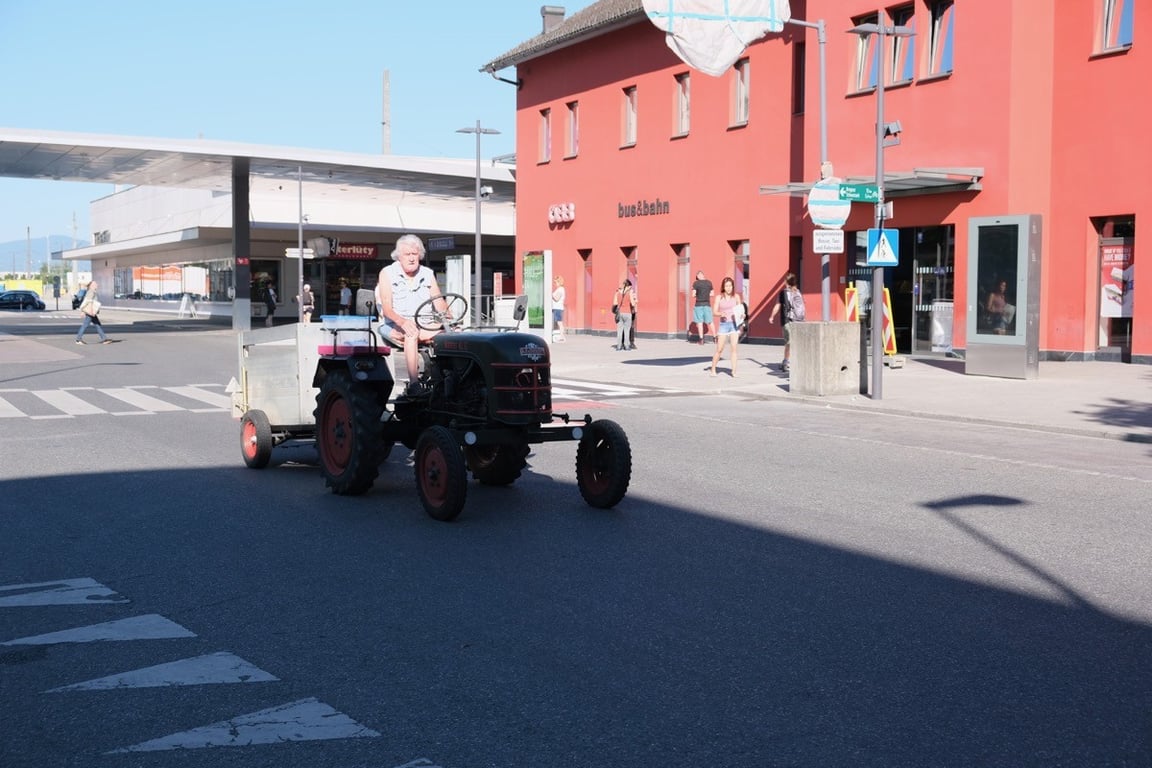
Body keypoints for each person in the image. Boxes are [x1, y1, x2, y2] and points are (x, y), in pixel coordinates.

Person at [376, 234, 451, 393]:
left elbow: (439, 303)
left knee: (454, 334)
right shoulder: (387, 273)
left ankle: (448, 378)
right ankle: (414, 383)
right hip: (394, 324)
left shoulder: (427, 273)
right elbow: (387, 310)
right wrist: (402, 322)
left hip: (424, 323)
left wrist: (450, 319)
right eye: (407, 254)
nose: (411, 258)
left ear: (420, 255)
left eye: (414, 254)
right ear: (399, 257)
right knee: (411, 332)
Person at [768, 272, 804, 372]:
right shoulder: (798, 292)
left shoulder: (783, 293)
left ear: (786, 281)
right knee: (794, 342)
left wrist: (771, 316)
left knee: (789, 342)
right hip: (798, 321)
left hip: (787, 320)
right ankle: (793, 362)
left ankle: (786, 362)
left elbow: (777, 305)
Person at [709, 277, 743, 376]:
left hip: (734, 325)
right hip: (723, 325)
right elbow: (714, 312)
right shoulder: (719, 297)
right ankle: (713, 369)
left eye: (730, 286)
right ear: (723, 287)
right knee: (719, 349)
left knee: (734, 348)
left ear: (733, 286)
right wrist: (720, 314)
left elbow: (740, 310)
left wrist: (742, 315)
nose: (728, 288)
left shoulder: (736, 297)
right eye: (726, 286)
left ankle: (734, 371)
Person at [74, 280, 112, 344]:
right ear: (92, 285)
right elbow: (89, 302)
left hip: (91, 312)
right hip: (90, 312)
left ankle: (104, 339)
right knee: (85, 325)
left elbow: (86, 301)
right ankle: (78, 339)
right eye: (95, 284)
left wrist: (84, 311)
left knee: (97, 325)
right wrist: (89, 311)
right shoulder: (91, 292)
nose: (97, 285)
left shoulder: (92, 291)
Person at [690, 270, 714, 344]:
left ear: (697, 276)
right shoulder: (709, 282)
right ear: (703, 275)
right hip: (707, 304)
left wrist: (698, 295)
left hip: (698, 305)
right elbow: (712, 294)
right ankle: (715, 337)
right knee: (710, 321)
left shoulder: (696, 283)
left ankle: (701, 339)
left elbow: (693, 295)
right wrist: (706, 295)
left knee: (700, 323)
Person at [612, 279, 636, 351]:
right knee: (626, 330)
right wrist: (635, 301)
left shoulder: (618, 292)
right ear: (629, 285)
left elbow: (615, 303)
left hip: (620, 313)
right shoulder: (630, 292)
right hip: (627, 313)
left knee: (619, 330)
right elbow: (632, 303)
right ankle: (626, 346)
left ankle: (619, 346)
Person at [551, 275, 566, 341]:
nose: (555, 284)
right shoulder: (560, 289)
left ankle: (562, 336)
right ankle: (559, 335)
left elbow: (557, 298)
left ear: (559, 282)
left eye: (556, 282)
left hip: (558, 308)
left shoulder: (560, 289)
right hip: (557, 308)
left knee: (559, 323)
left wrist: (551, 295)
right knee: (558, 322)